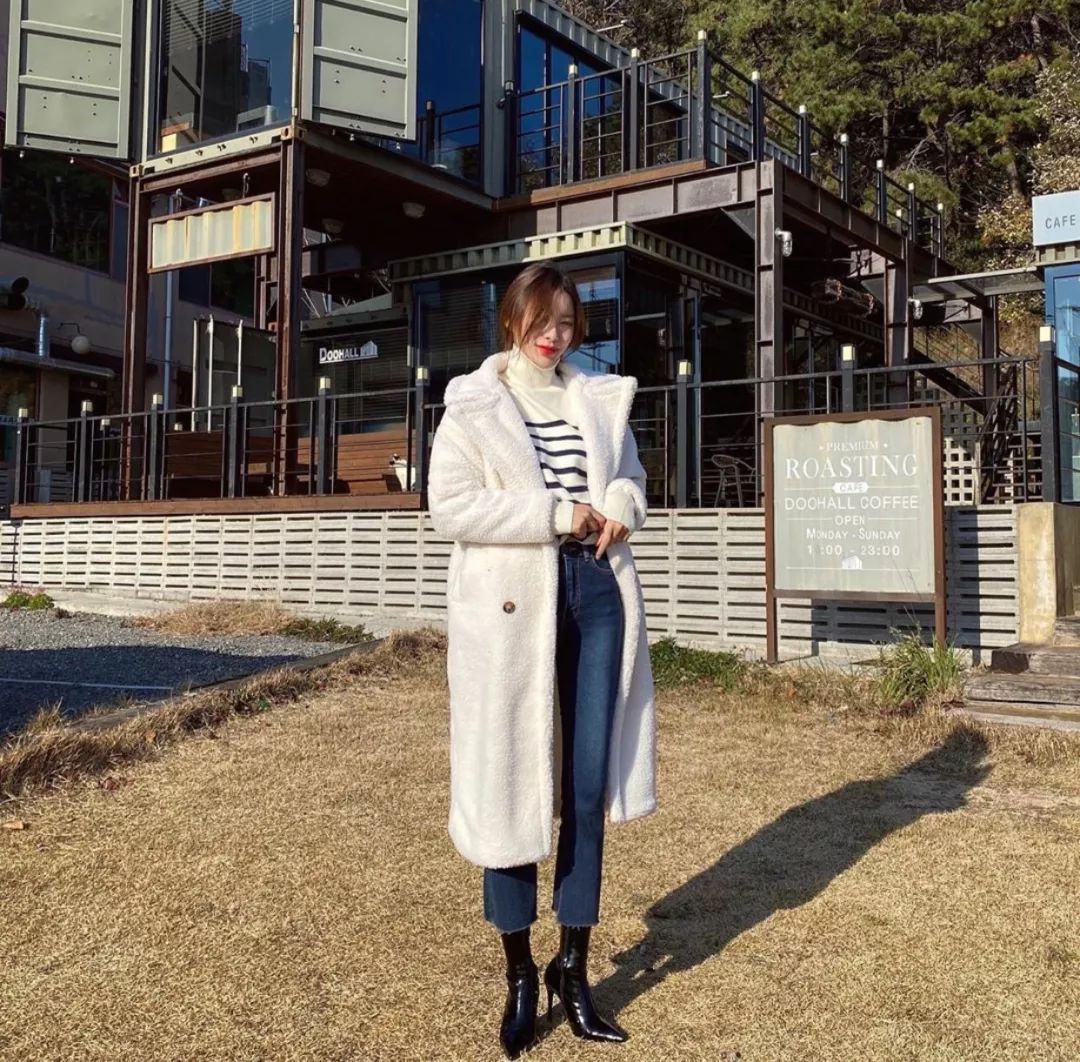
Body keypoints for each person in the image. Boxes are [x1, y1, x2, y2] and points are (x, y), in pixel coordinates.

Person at [426, 262, 658, 1058]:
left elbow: (631, 480)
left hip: (596, 589)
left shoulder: (598, 397)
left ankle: (575, 967)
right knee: (512, 782)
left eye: (566, 321)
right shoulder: (473, 403)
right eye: (541, 320)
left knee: (586, 784)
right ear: (512, 321)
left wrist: (618, 507)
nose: (554, 335)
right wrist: (554, 511)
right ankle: (520, 972)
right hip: (512, 605)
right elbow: (450, 506)